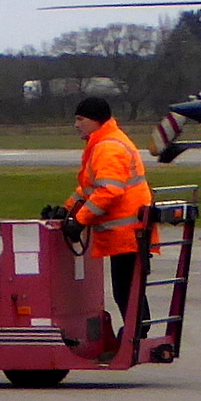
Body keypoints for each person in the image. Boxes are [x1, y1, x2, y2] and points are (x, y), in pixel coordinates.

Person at [62, 97, 154, 337]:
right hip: (129, 229)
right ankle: (138, 327)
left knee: (126, 287)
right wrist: (68, 209)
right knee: (128, 286)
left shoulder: (108, 147)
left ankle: (136, 330)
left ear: (94, 120)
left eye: (80, 119)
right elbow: (90, 187)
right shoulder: (104, 142)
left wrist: (80, 220)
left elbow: (109, 191)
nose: (76, 125)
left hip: (126, 231)